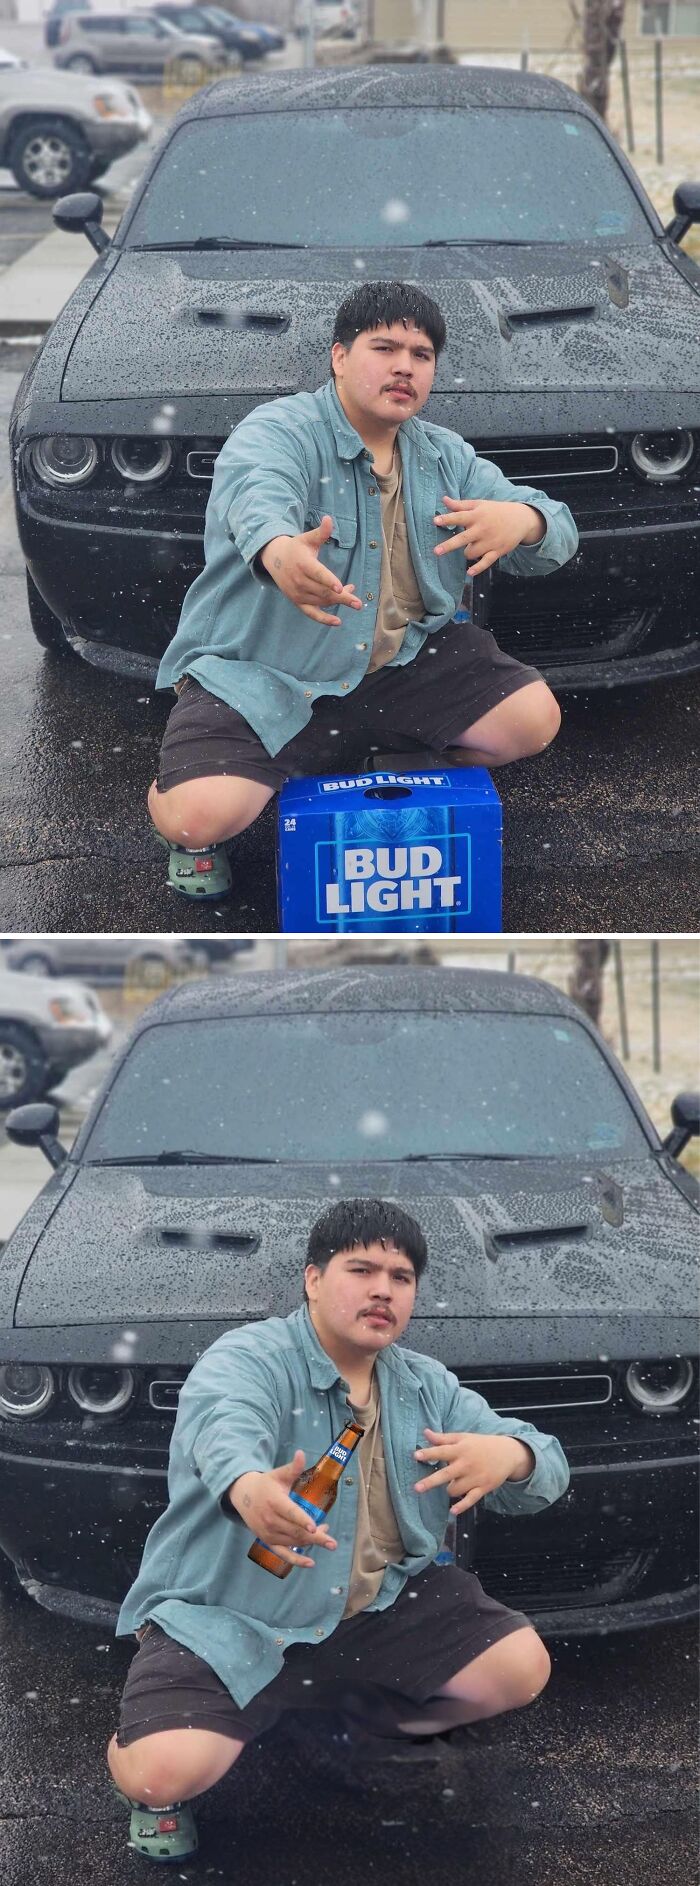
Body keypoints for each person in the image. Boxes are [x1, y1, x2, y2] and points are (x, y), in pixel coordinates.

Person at [107, 1198, 570, 1862]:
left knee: (519, 1668)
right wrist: (246, 1487)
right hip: (231, 1618)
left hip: (371, 1609)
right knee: (163, 1769)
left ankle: (352, 1724)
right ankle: (144, 1768)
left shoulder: (426, 1385)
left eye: (402, 1276)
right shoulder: (251, 1357)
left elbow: (546, 1463)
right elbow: (221, 1423)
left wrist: (514, 1457)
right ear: (314, 1280)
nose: (383, 1288)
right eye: (362, 1268)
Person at [148, 279, 579, 899]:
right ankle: (191, 806)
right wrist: (277, 549)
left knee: (532, 721)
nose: (404, 366)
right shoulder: (280, 429)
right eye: (384, 347)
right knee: (200, 814)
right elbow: (255, 490)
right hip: (265, 675)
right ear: (339, 357)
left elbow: (557, 531)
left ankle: (368, 756)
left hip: (398, 663)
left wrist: (526, 521)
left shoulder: (444, 455)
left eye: (421, 355)